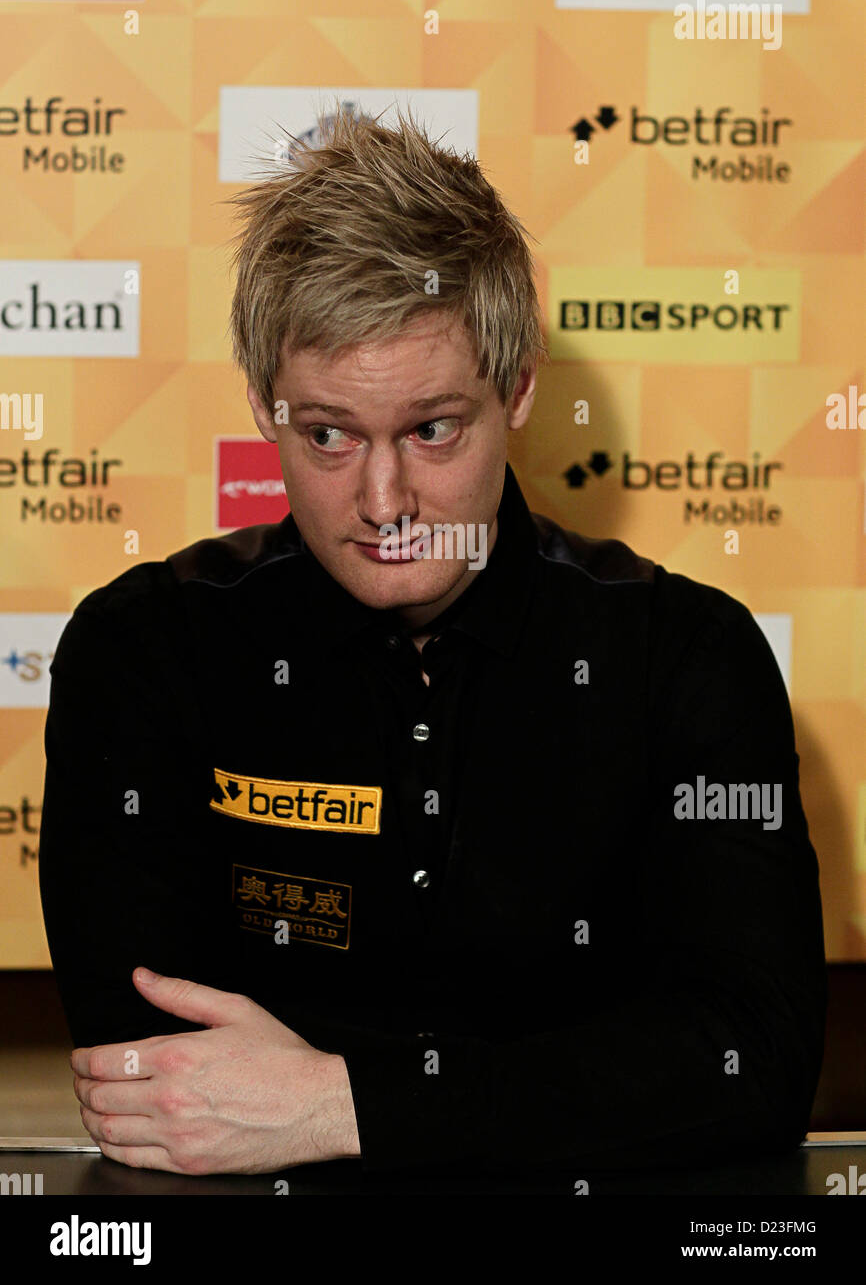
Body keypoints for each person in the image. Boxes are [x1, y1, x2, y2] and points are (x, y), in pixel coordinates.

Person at [39, 103, 826, 1180]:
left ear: (518, 387)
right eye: (326, 434)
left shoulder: (685, 656)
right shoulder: (143, 651)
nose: (384, 499)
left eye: (430, 429)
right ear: (265, 406)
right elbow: (155, 1085)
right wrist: (570, 1082)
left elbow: (750, 1066)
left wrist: (337, 1102)